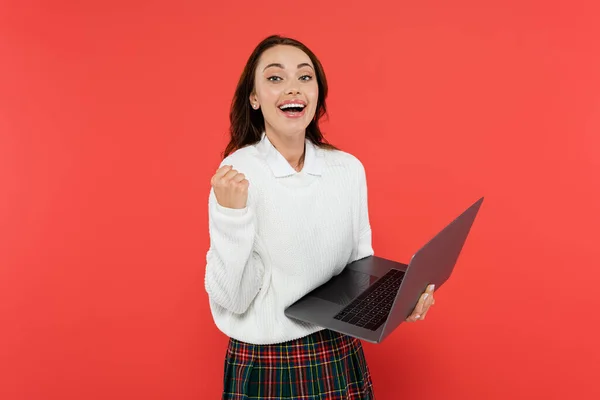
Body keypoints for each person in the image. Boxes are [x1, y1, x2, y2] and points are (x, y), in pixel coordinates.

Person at [204, 34, 436, 399]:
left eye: (305, 77)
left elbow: (359, 266)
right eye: (275, 78)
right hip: (268, 362)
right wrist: (232, 219)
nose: (292, 88)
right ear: (254, 97)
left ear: (317, 94)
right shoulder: (237, 173)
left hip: (340, 352)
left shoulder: (347, 169)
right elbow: (233, 299)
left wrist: (395, 302)